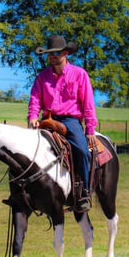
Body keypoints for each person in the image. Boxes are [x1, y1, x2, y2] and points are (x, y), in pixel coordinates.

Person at [28, 35, 98, 212]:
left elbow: (88, 103)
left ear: (65, 53)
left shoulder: (79, 74)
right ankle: (28, 190)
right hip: (48, 119)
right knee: (28, 148)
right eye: (49, 54)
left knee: (82, 151)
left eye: (56, 54)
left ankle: (84, 193)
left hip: (70, 121)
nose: (52, 57)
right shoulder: (42, 77)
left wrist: (90, 129)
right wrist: (33, 117)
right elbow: (35, 99)